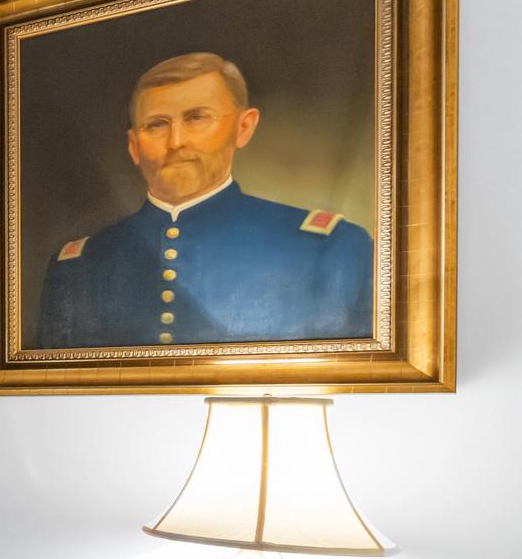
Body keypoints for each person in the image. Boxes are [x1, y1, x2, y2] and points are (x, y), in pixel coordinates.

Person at [37, 52, 373, 349]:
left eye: (196, 118)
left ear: (244, 127)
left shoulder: (329, 248)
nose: (176, 142)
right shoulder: (76, 265)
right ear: (133, 146)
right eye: (156, 125)